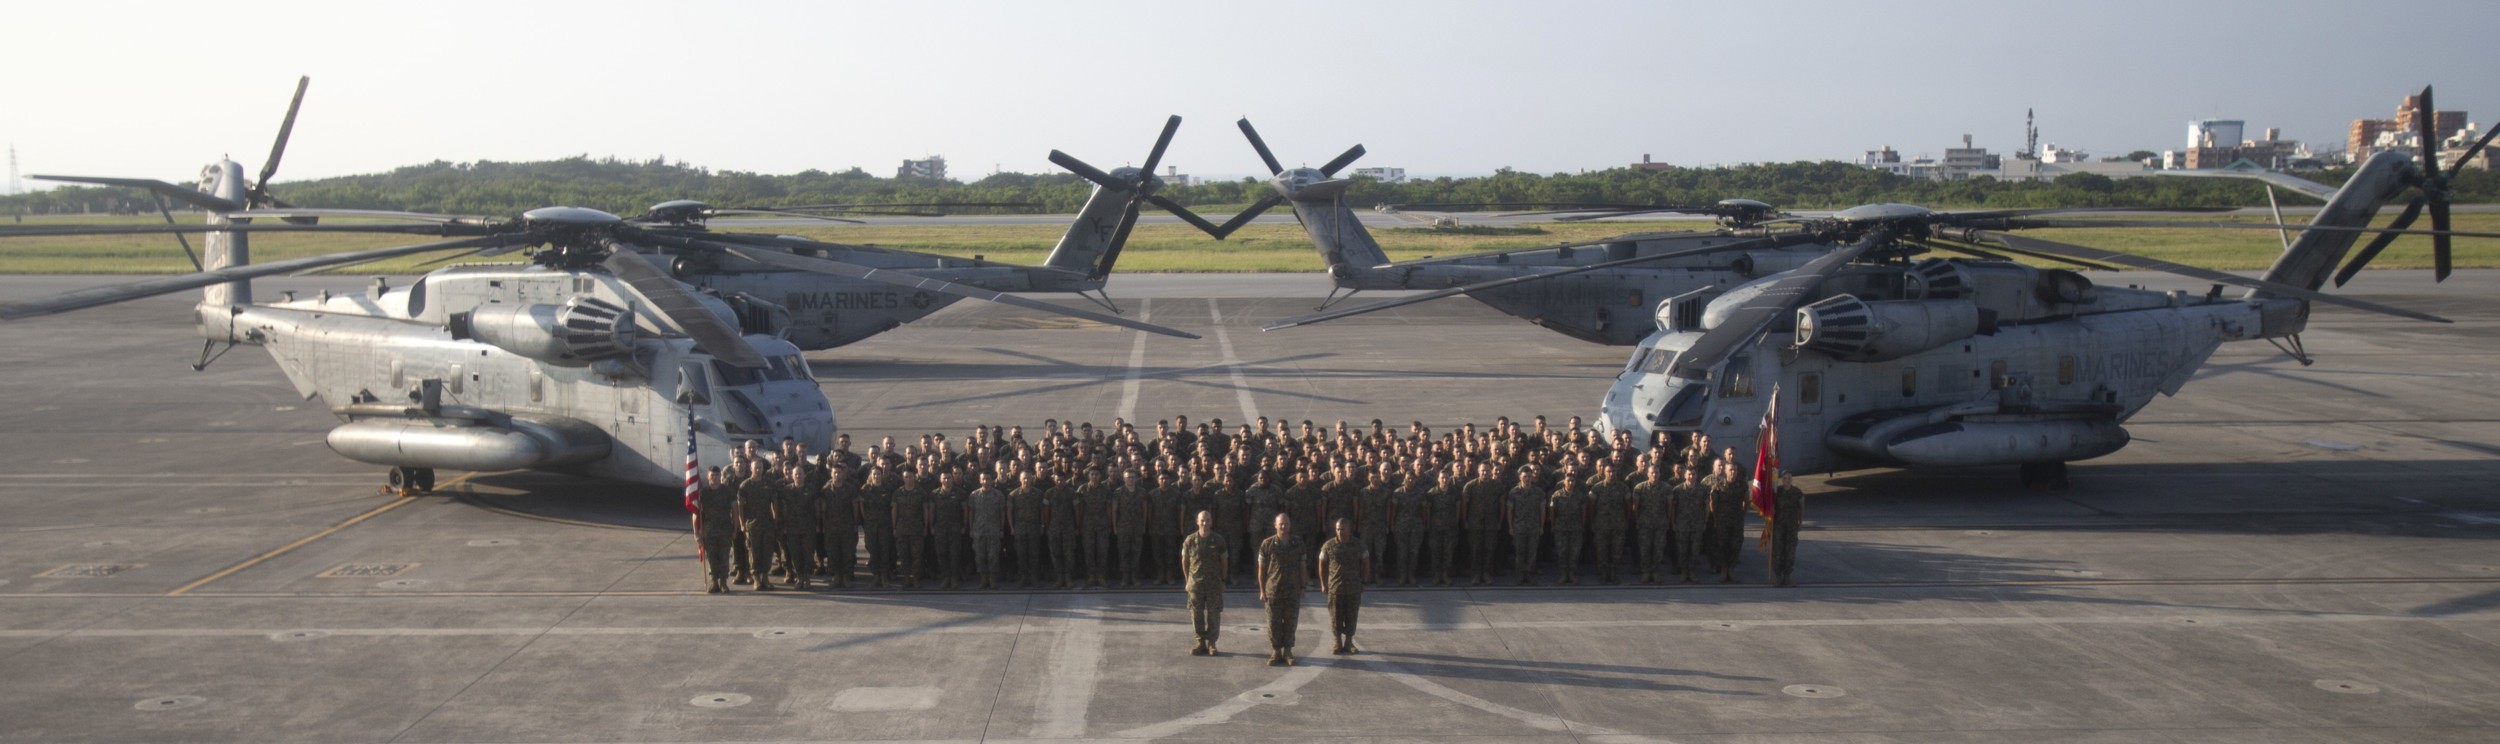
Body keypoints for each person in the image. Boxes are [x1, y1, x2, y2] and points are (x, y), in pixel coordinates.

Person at [1257, 513, 1307, 666]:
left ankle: (1288, 651)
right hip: (1273, 590)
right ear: (1275, 525)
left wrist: (1303, 586)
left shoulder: (1297, 543)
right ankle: (1276, 651)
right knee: (1273, 622)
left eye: (1286, 524)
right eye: (1281, 524)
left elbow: (1302, 566)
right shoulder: (1267, 544)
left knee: (1291, 622)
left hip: (1292, 590)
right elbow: (1261, 569)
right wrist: (1262, 590)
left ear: (1290, 525)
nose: (1284, 527)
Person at [1181, 510, 1231, 656]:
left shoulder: (1218, 540)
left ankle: (1212, 643)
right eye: (1202, 520)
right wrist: (1187, 580)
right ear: (1197, 522)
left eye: (1207, 520)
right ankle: (1200, 642)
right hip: (1195, 584)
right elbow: (1185, 561)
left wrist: (1223, 580)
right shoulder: (1190, 540)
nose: (1205, 523)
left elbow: (1224, 561)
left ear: (1211, 521)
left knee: (1214, 614)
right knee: (1196, 615)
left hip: (1214, 584)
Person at [1319, 518, 1370, 655]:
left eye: (1342, 529)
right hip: (1335, 588)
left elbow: (1366, 562)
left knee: (1351, 616)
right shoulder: (1329, 545)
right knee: (1336, 616)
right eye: (1337, 529)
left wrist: (1364, 582)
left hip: (1354, 587)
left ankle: (1349, 642)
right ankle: (1337, 642)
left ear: (1349, 529)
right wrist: (1323, 583)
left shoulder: (1358, 545)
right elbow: (1322, 564)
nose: (1339, 532)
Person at [736, 461, 783, 591]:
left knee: (767, 552)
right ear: (750, 469)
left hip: (767, 524)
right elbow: (740, 506)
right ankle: (756, 578)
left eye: (760, 468)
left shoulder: (769, 484)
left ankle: (765, 578)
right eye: (755, 467)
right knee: (754, 552)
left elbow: (774, 503)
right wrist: (741, 523)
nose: (758, 470)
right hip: (752, 525)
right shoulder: (745, 485)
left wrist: (775, 520)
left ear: (763, 469)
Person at [776, 462, 818, 591]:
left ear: (804, 475)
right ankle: (799, 577)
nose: (798, 476)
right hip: (792, 527)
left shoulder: (811, 489)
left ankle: (807, 577)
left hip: (808, 526)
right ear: (792, 476)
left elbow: (817, 508)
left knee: (808, 553)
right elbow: (783, 509)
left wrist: (817, 524)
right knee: (795, 554)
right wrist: (784, 526)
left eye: (800, 474)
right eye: (796, 474)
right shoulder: (786, 490)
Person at [1631, 461, 1674, 584]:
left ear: (1659, 474)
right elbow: (1636, 507)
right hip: (1644, 524)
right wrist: (1637, 520)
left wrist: (1668, 519)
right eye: (1652, 473)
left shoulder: (1666, 488)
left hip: (1660, 523)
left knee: (1658, 549)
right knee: (1645, 548)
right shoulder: (1640, 488)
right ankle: (1646, 571)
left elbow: (1669, 506)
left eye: (1656, 473)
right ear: (1647, 474)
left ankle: (1655, 571)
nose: (1654, 475)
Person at [696, 466, 737, 594]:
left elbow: (734, 511)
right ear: (708, 477)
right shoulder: (703, 493)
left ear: (721, 477)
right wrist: (697, 532)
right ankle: (714, 581)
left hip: (725, 529)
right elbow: (696, 514)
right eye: (712, 475)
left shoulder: (728, 491)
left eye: (717, 475)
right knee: (712, 557)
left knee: (724, 557)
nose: (715, 478)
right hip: (709, 530)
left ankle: (723, 582)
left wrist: (735, 528)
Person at [1505, 468, 1547, 586]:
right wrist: (1510, 526)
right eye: (1525, 477)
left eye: (1529, 476)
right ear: (1520, 477)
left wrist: (1541, 526)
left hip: (1534, 526)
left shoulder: (1538, 492)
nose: (1527, 479)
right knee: (1519, 553)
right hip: (1519, 527)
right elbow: (1510, 511)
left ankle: (1530, 576)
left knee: (1532, 553)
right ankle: (1519, 576)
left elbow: (1542, 510)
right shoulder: (1513, 492)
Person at [820, 463, 859, 589]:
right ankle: (836, 577)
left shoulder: (850, 489)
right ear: (831, 474)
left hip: (847, 526)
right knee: (833, 553)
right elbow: (823, 509)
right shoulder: (826, 490)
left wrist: (855, 523)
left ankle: (846, 577)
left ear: (843, 474)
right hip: (831, 527)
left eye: (839, 472)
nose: (837, 475)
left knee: (848, 553)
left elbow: (855, 507)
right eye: (835, 472)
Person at [969, 472, 1008, 590]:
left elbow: (1002, 513)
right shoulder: (974, 495)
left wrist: (1001, 528)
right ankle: (983, 578)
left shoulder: (999, 495)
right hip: (979, 530)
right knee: (980, 556)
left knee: (993, 556)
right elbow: (971, 513)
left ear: (992, 480)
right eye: (983, 479)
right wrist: (971, 529)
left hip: (994, 530)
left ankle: (992, 579)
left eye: (988, 479)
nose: (986, 482)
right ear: (980, 481)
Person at [1670, 466, 1707, 583]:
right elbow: (1673, 508)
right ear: (1684, 475)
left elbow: (1706, 507)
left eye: (1694, 474)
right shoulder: (1677, 490)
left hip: (1697, 524)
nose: (1691, 477)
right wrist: (1673, 522)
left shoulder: (1703, 490)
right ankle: (1684, 571)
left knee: (1695, 549)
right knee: (1682, 549)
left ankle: (1691, 571)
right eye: (1689, 474)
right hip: (1682, 524)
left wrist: (1705, 522)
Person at [1769, 472, 1804, 587]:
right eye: (1784, 478)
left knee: (1790, 553)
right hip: (1779, 526)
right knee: (1777, 551)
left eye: (1789, 478)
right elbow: (1771, 506)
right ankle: (1778, 576)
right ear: (1781, 480)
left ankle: (1787, 576)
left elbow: (1801, 508)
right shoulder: (1777, 492)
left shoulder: (1797, 492)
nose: (1787, 480)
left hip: (1791, 527)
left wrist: (1800, 522)